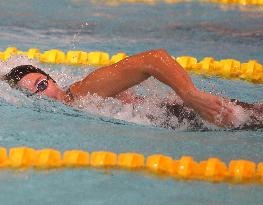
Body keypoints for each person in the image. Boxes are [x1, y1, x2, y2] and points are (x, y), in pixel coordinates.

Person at [2, 49, 262, 129]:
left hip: (189, 112)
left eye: (42, 84)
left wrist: (191, 95)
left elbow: (151, 59)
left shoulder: (83, 91)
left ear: (53, 80)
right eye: (33, 93)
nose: (43, 95)